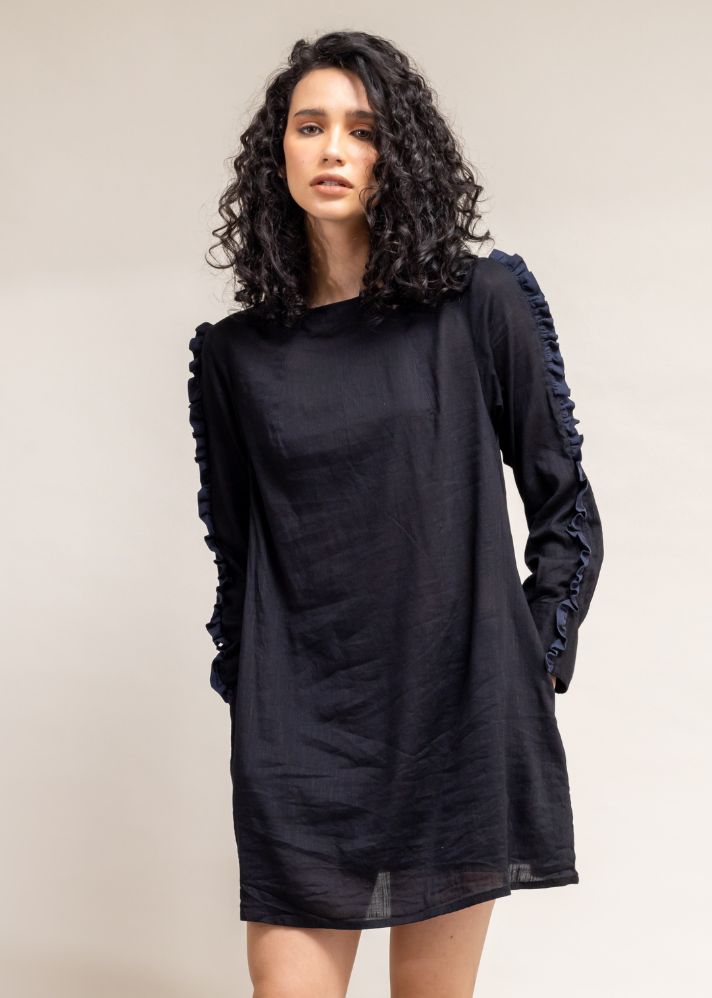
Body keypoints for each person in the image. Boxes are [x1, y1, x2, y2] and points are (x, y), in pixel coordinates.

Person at [187, 29, 604, 998]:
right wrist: (255, 696)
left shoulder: (477, 303)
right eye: (310, 126)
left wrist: (533, 660)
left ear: (396, 153)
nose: (333, 149)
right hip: (303, 735)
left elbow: (565, 504)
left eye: (362, 129)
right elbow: (237, 557)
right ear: (277, 152)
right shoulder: (235, 357)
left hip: (455, 713)